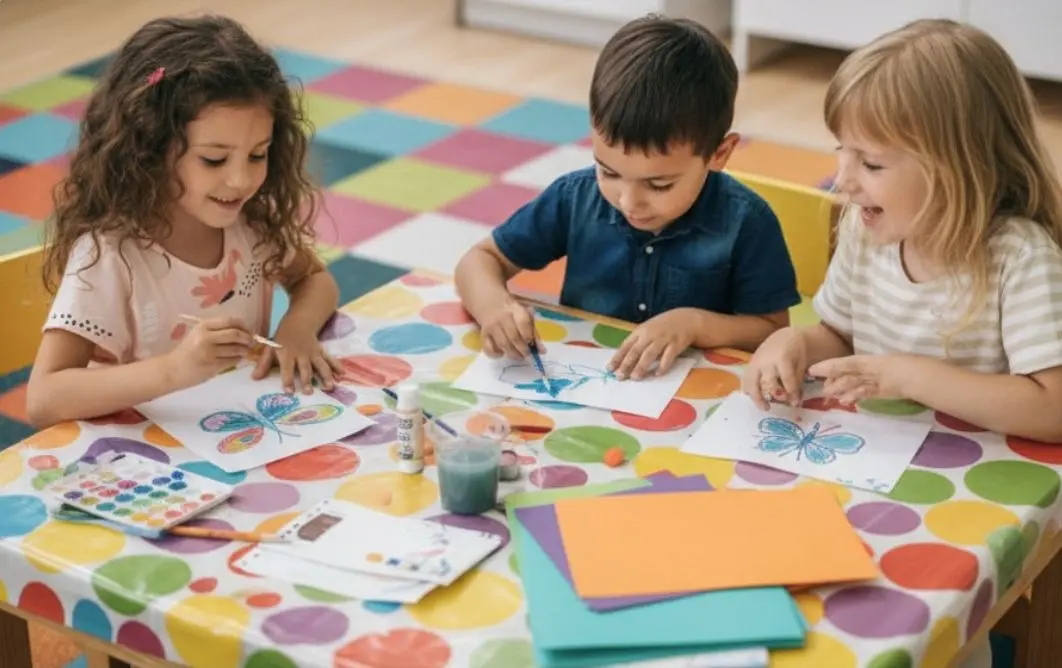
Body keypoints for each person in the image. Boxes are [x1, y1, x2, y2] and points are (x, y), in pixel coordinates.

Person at [743, 18, 1062, 448]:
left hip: (982, 472)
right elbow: (840, 337)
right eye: (842, 152)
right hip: (881, 453)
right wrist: (793, 341)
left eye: (871, 164)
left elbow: (1053, 410)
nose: (842, 182)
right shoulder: (864, 228)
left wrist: (912, 377)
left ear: (957, 170)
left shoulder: (1021, 259)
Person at [26, 15, 343, 428]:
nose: (241, 180)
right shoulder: (110, 254)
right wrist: (174, 370)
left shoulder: (251, 222)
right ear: (150, 148)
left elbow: (314, 279)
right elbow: (43, 398)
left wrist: (296, 329)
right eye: (213, 159)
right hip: (141, 451)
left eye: (258, 154)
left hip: (239, 432)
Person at [454, 14, 801, 381]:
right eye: (609, 172)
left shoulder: (747, 221)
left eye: (659, 185)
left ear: (720, 154)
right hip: (587, 384)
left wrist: (694, 324)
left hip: (695, 394)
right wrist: (494, 307)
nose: (629, 202)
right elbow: (479, 260)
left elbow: (771, 330)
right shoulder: (575, 198)